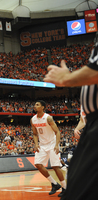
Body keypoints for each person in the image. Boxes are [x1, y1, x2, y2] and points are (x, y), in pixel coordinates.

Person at [44, 43, 98, 199]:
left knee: (80, 186)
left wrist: (68, 78)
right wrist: (79, 127)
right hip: (91, 122)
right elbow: (83, 117)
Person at [31, 100, 66, 197]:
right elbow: (34, 134)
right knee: (38, 164)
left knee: (55, 166)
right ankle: (54, 184)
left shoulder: (48, 118)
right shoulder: (33, 119)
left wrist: (56, 145)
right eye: (35, 104)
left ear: (43, 107)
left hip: (52, 143)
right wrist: (36, 144)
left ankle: (65, 188)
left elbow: (57, 132)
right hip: (42, 145)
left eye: (37, 104)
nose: (35, 106)